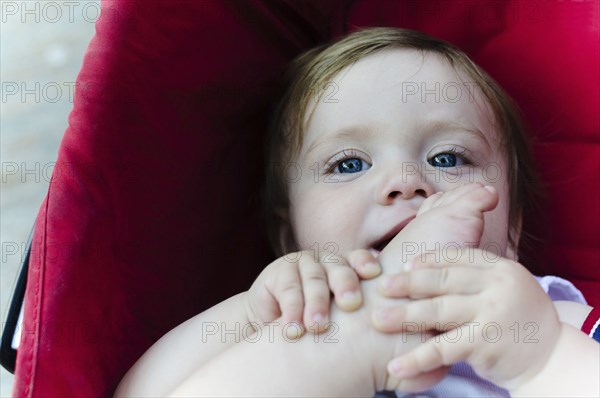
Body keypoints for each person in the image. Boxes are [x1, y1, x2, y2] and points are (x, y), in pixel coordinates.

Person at [114, 27, 599, 397]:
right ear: (290, 237)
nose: (405, 181)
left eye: (448, 159)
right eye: (349, 164)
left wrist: (544, 358)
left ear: (511, 227)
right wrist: (249, 314)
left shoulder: (548, 318)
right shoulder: (291, 317)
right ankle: (351, 342)